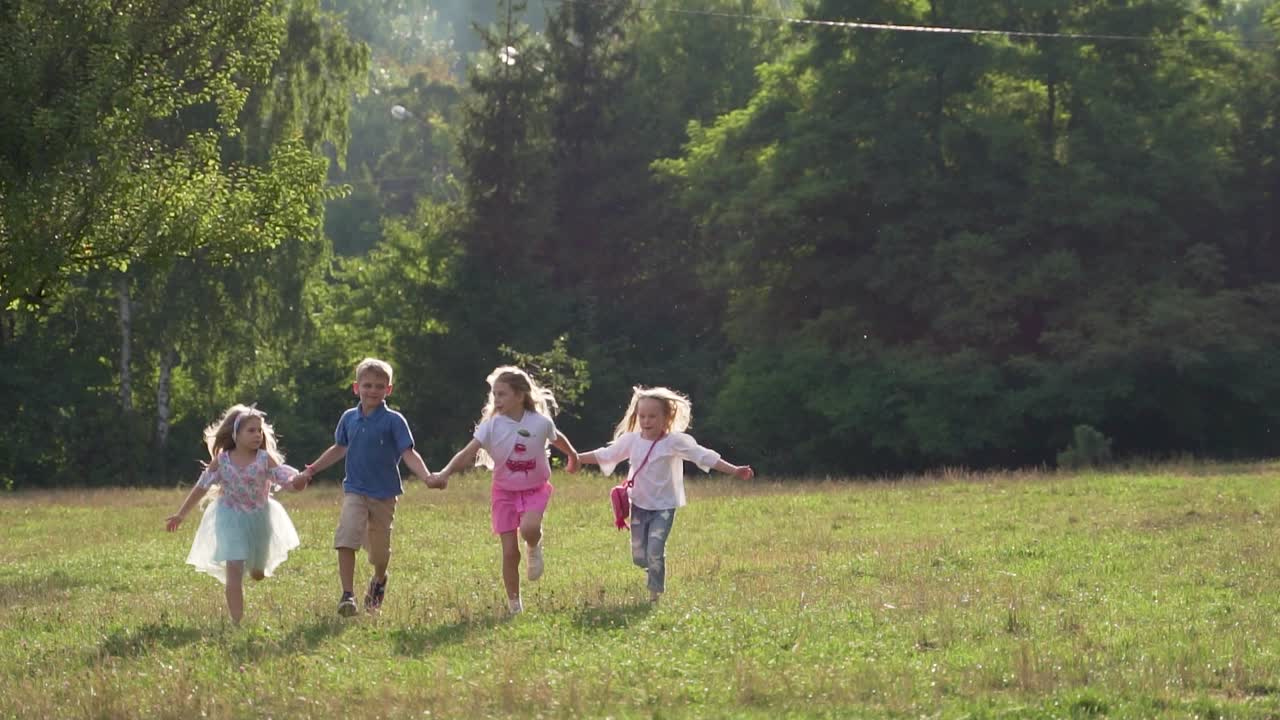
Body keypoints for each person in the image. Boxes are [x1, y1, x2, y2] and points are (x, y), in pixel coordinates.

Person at [290, 358, 440, 616]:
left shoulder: (394, 421)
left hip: (384, 495)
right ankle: (347, 595)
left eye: (379, 386)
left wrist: (426, 476)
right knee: (346, 539)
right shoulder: (349, 418)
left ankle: (379, 579)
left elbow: (408, 453)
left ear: (389, 390)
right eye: (367, 385)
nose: (373, 391)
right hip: (355, 490)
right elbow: (339, 448)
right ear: (356, 387)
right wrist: (310, 471)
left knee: (379, 555)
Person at [578, 386, 754, 603]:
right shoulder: (631, 440)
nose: (646, 421)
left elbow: (704, 456)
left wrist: (735, 470)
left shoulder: (674, 442)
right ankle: (652, 567)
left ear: (666, 417)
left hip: (664, 506)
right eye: (642, 416)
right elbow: (606, 454)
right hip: (639, 505)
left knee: (655, 548)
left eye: (652, 416)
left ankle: (654, 594)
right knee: (639, 557)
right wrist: (576, 458)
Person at [433, 366, 580, 614]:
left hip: (535, 488)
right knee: (510, 552)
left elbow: (557, 437)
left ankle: (534, 547)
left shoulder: (540, 422)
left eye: (502, 394)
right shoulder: (491, 426)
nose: (496, 400)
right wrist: (444, 473)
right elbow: (467, 453)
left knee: (530, 529)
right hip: (504, 493)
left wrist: (573, 455)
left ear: (520, 396)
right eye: (494, 395)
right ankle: (514, 605)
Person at [165, 404, 303, 625]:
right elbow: (201, 487)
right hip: (229, 517)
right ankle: (236, 621)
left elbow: (286, 481)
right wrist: (180, 515)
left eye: (259, 430)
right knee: (234, 569)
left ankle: (258, 567)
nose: (257, 434)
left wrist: (299, 481)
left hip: (260, 517)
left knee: (258, 572)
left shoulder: (264, 459)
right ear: (235, 434)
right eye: (251, 430)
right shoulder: (222, 460)